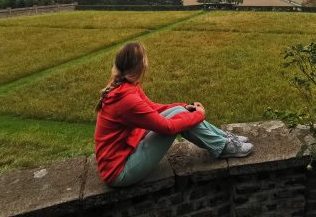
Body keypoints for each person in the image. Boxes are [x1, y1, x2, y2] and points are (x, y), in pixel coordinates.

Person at [94, 42, 254, 186]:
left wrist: (184, 106)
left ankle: (223, 140)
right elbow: (168, 128)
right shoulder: (127, 98)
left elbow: (154, 108)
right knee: (180, 120)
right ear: (141, 66)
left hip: (130, 149)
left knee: (180, 112)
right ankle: (223, 146)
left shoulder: (126, 85)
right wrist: (199, 115)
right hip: (119, 170)